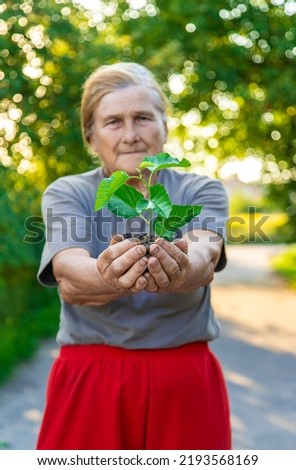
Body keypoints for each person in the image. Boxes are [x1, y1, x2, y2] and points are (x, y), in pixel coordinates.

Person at [36, 62, 231, 450]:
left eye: (142, 118)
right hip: (92, 377)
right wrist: (107, 274)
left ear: (164, 126)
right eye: (113, 122)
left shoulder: (201, 189)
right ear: (91, 136)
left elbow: (204, 256)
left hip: (183, 378)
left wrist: (180, 267)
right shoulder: (68, 192)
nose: (130, 135)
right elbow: (69, 274)